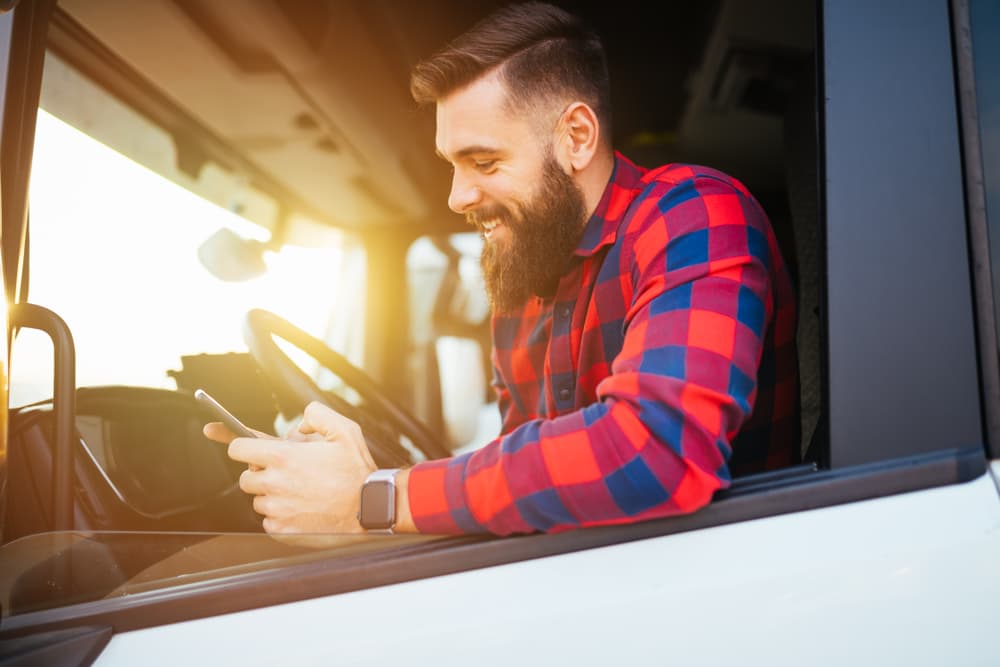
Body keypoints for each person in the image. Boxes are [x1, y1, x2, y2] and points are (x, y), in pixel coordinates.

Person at [204, 1, 799, 536]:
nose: (457, 197)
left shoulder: (694, 212)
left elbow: (655, 454)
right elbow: (528, 476)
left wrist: (376, 499)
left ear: (576, 137)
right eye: (451, 165)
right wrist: (336, 482)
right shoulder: (519, 286)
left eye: (483, 161)